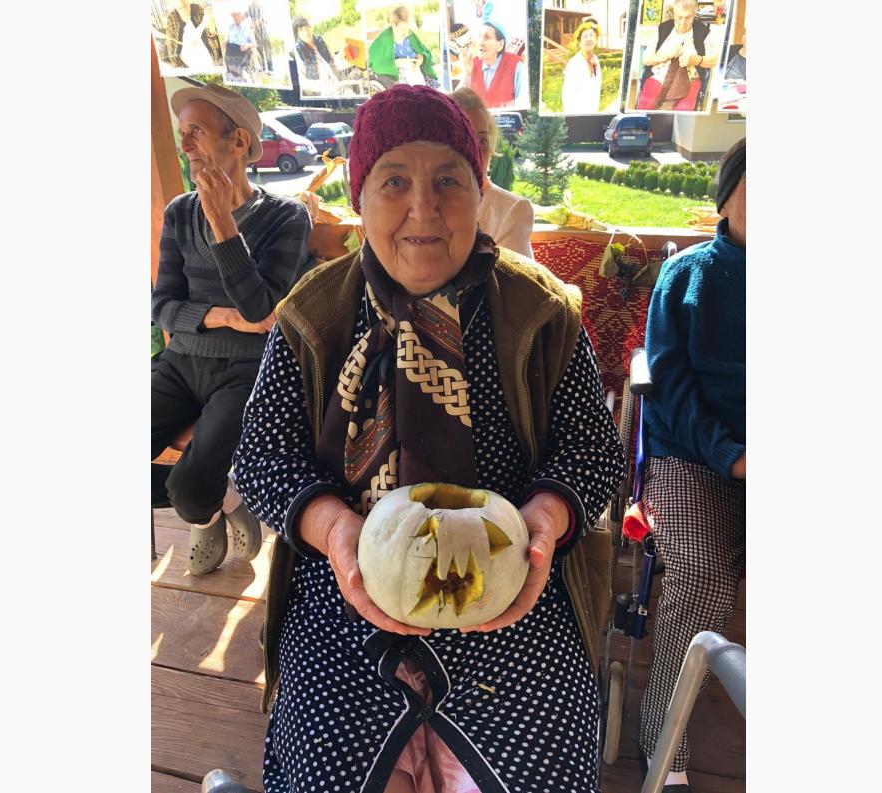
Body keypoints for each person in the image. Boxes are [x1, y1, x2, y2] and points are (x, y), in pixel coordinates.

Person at [233, 84, 626, 793]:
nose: (424, 206)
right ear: (360, 198)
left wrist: (545, 519)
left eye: (449, 179)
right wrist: (335, 531)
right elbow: (262, 457)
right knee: (325, 772)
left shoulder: (542, 312)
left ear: (480, 193)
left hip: (513, 600)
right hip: (346, 598)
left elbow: (592, 451)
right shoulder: (311, 316)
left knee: (543, 772)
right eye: (394, 182)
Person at [152, 83, 314, 574]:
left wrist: (222, 222)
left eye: (195, 132)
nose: (184, 145)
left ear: (239, 141)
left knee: (187, 485)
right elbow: (162, 305)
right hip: (180, 363)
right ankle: (216, 506)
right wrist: (221, 317)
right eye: (182, 133)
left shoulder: (286, 217)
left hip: (248, 370)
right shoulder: (179, 213)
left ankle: (201, 503)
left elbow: (260, 305)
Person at [635, 137, 746, 793]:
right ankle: (664, 746)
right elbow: (670, 385)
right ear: (726, 197)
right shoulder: (686, 276)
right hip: (690, 452)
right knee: (703, 574)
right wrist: (733, 457)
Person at [448, 86, 535, 259]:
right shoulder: (424, 206)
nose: (474, 151)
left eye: (481, 140)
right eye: (463, 139)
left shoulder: (511, 210)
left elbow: (514, 275)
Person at [636, 0, 721, 111]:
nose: (683, 22)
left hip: (690, 78)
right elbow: (646, 59)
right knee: (645, 104)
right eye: (679, 17)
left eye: (688, 17)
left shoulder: (703, 32)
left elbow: (714, 60)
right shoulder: (662, 29)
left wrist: (696, 60)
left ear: (694, 15)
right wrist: (666, 54)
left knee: (684, 109)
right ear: (674, 15)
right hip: (659, 75)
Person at [368, 5, 437, 88]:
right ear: (393, 25)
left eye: (407, 29)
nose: (405, 33)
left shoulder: (410, 35)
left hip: (416, 74)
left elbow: (425, 52)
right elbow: (373, 61)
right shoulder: (385, 38)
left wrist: (421, 58)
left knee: (425, 91)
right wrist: (396, 63)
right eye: (402, 29)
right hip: (398, 79)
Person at [468, 21, 524, 109]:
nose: (480, 43)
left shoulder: (515, 64)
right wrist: (466, 74)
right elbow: (458, 104)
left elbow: (522, 102)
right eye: (479, 36)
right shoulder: (471, 63)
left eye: (487, 38)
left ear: (500, 45)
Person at [160, 0, 223, 72]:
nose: (182, 4)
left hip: (204, 55)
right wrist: (204, 22)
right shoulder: (172, 18)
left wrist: (211, 30)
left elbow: (211, 34)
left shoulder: (197, 8)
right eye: (180, 8)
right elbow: (175, 45)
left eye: (185, 6)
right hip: (187, 62)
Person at [560, 18, 604, 114]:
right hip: (577, 114)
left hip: (593, 112)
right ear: (579, 43)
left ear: (596, 39)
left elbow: (595, 82)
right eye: (585, 36)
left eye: (591, 35)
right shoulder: (574, 64)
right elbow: (568, 96)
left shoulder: (595, 59)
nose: (589, 39)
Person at [292, 15, 338, 92]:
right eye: (301, 30)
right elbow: (302, 82)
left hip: (337, 83)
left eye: (307, 27)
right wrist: (323, 86)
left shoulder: (320, 40)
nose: (306, 32)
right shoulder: (297, 51)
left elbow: (333, 61)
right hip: (322, 92)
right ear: (297, 34)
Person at [223, 5, 256, 81]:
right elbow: (228, 40)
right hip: (230, 56)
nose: (236, 17)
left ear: (241, 16)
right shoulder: (230, 27)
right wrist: (225, 42)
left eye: (237, 15)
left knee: (244, 78)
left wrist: (247, 45)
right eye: (234, 16)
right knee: (230, 77)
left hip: (242, 56)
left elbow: (254, 44)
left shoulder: (247, 28)